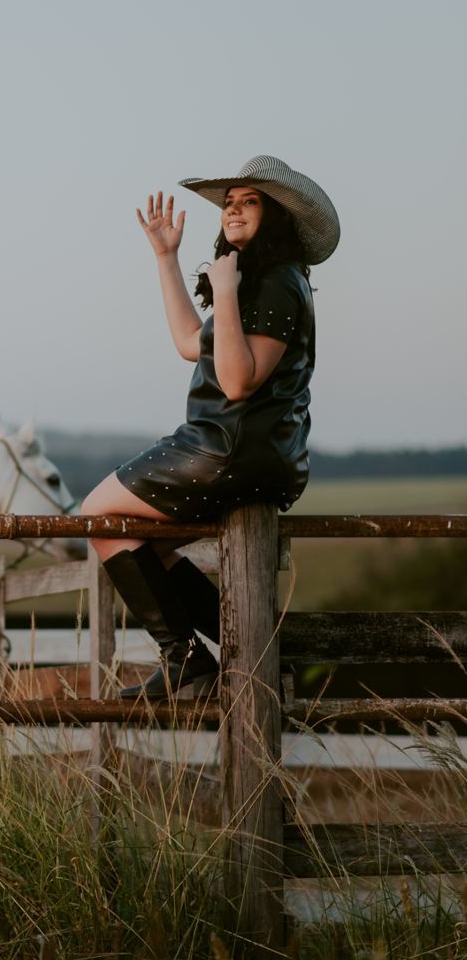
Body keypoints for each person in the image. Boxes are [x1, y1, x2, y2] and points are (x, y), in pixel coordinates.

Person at [80, 155, 340, 700]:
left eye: (250, 202)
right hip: (249, 452)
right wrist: (166, 257)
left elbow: (238, 381)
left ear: (277, 217)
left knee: (98, 516)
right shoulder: (256, 279)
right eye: (230, 203)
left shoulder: (275, 281)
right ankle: (251, 646)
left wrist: (223, 290)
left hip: (228, 448)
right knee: (146, 542)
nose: (235, 211)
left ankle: (184, 659)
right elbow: (188, 344)